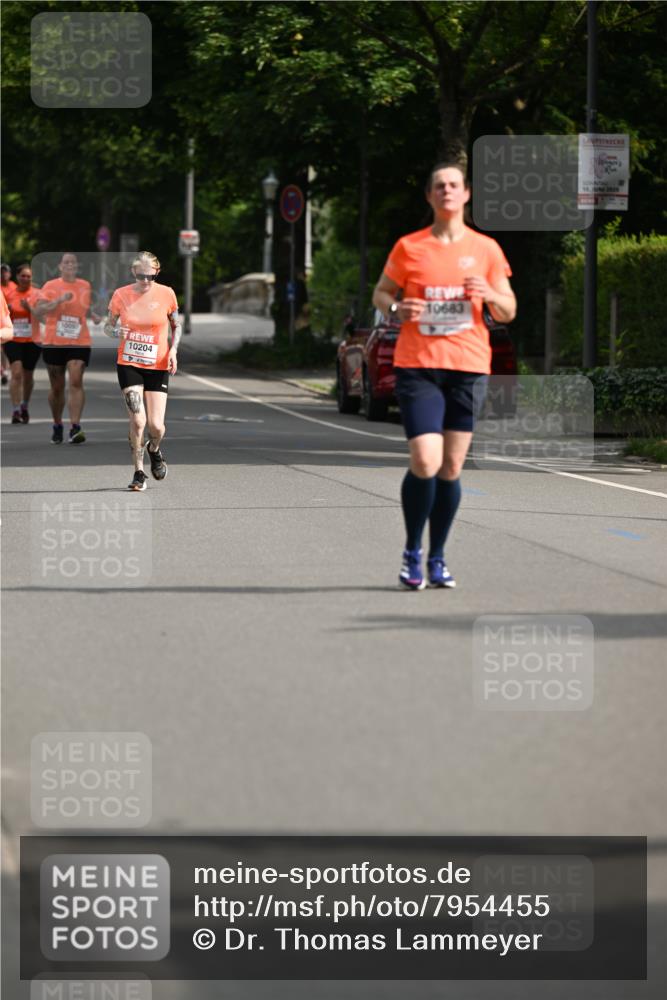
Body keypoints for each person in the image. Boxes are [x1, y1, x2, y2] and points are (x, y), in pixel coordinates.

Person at [372, 162, 516, 590]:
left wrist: (488, 293)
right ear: (430, 196)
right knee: (425, 460)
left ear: (466, 194)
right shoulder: (409, 247)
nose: (447, 191)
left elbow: (508, 309)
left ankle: (437, 557)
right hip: (418, 365)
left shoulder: (486, 249)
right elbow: (381, 293)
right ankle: (412, 550)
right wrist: (397, 309)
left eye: (454, 185)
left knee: (451, 466)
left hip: (469, 367)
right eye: (439, 185)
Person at [104, 251, 180, 491]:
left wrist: (174, 350)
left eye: (150, 275)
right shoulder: (121, 295)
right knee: (138, 420)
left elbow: (177, 325)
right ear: (133, 273)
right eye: (140, 275)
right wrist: (117, 333)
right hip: (129, 363)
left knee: (157, 426)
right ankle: (138, 472)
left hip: (157, 365)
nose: (145, 280)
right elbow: (108, 326)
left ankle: (154, 449)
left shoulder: (167, 293)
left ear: (157, 272)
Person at [34, 252, 99, 443]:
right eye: (66, 262)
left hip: (79, 340)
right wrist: (59, 300)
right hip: (54, 342)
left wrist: (93, 315)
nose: (70, 265)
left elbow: (84, 309)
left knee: (76, 381)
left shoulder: (85, 285)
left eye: (73, 262)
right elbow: (38, 310)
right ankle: (57, 424)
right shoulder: (50, 286)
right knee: (57, 387)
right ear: (60, 267)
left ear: (76, 267)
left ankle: (75, 427)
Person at [4, 263, 42, 423]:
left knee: (28, 376)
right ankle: (15, 410)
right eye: (23, 275)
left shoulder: (37, 294)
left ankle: (25, 405)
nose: (25, 278)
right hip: (13, 339)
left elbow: (42, 316)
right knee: (16, 373)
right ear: (17, 277)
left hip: (32, 340)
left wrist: (29, 308)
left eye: (28, 276)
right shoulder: (9, 294)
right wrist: (8, 311)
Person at [1, 264, 16, 383]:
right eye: (1, 272)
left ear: (10, 274)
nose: (3, 274)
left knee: (6, 348)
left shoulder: (14, 287)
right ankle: (3, 370)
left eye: (5, 272)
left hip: (11, 320)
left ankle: (5, 370)